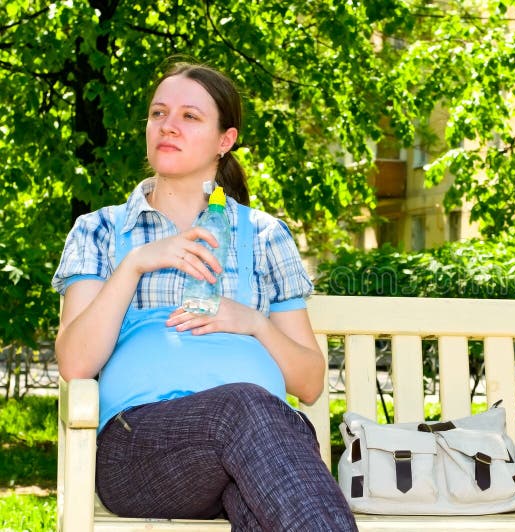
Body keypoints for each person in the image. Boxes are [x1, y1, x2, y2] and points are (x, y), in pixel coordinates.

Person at [52, 61, 357, 531]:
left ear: (224, 141)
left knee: (256, 493)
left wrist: (254, 323)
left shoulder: (263, 235)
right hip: (140, 450)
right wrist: (136, 263)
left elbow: (310, 382)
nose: (167, 126)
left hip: (264, 442)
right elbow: (75, 363)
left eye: (189, 117)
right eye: (158, 113)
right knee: (244, 408)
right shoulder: (100, 230)